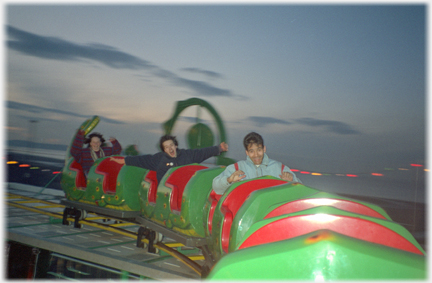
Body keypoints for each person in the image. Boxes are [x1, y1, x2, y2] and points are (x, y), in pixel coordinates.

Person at [111, 135, 229, 183]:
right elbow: (143, 160)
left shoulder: (187, 155)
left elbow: (202, 152)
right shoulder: (159, 159)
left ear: (175, 146)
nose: (170, 148)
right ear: (164, 150)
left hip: (184, 188)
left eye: (171, 145)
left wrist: (219, 148)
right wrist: (125, 160)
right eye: (166, 147)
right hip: (166, 190)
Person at [212, 132, 301, 195]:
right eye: (251, 151)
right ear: (246, 152)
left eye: (259, 150)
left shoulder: (279, 168)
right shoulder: (237, 168)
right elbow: (216, 187)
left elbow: (301, 189)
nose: (256, 155)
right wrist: (229, 180)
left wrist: (291, 181)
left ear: (264, 149)